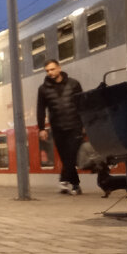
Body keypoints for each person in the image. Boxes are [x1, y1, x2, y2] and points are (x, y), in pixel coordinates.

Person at [37, 59, 85, 195]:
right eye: (47, 71)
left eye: (52, 69)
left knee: (72, 155)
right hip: (57, 127)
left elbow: (82, 104)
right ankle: (75, 185)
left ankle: (64, 180)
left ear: (59, 68)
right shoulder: (43, 89)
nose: (50, 73)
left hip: (75, 125)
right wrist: (41, 128)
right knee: (65, 156)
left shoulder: (74, 84)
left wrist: (85, 124)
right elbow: (40, 109)